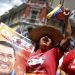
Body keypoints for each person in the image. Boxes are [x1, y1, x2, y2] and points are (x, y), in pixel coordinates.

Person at [21, 8, 72, 75]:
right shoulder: (29, 53)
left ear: (52, 44)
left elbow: (68, 37)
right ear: (38, 42)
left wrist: (66, 18)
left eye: (49, 37)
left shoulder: (55, 52)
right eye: (43, 35)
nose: (46, 37)